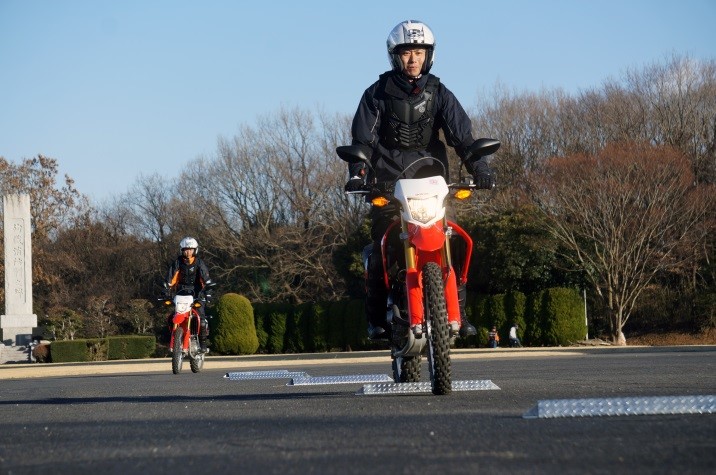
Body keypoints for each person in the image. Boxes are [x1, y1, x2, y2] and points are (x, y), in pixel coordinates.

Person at [344, 20, 496, 340]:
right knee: (380, 246)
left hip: (432, 183)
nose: (413, 59)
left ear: (429, 55)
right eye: (406, 52)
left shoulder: (440, 92)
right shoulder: (376, 94)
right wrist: (358, 172)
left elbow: (463, 137)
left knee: (450, 240)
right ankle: (377, 319)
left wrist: (479, 169)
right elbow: (363, 141)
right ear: (394, 56)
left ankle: (459, 311)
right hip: (388, 184)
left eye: (419, 52)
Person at [165, 237, 212, 353]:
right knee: (172, 318)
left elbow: (205, 279)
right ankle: (175, 340)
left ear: (195, 250)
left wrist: (208, 292)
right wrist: (166, 290)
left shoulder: (199, 263)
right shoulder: (177, 262)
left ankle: (202, 344)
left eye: (191, 249)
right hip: (181, 295)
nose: (188, 252)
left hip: (197, 295)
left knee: (201, 319)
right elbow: (171, 279)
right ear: (182, 250)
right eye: (186, 249)